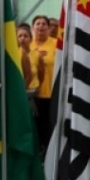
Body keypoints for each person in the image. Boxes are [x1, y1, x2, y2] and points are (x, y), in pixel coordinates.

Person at [30, 15, 57, 157]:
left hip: (51, 93)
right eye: (37, 23)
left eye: (44, 24)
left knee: (49, 126)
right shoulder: (28, 44)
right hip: (33, 95)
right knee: (36, 126)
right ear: (33, 27)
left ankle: (49, 154)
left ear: (48, 28)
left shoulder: (56, 44)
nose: (41, 26)